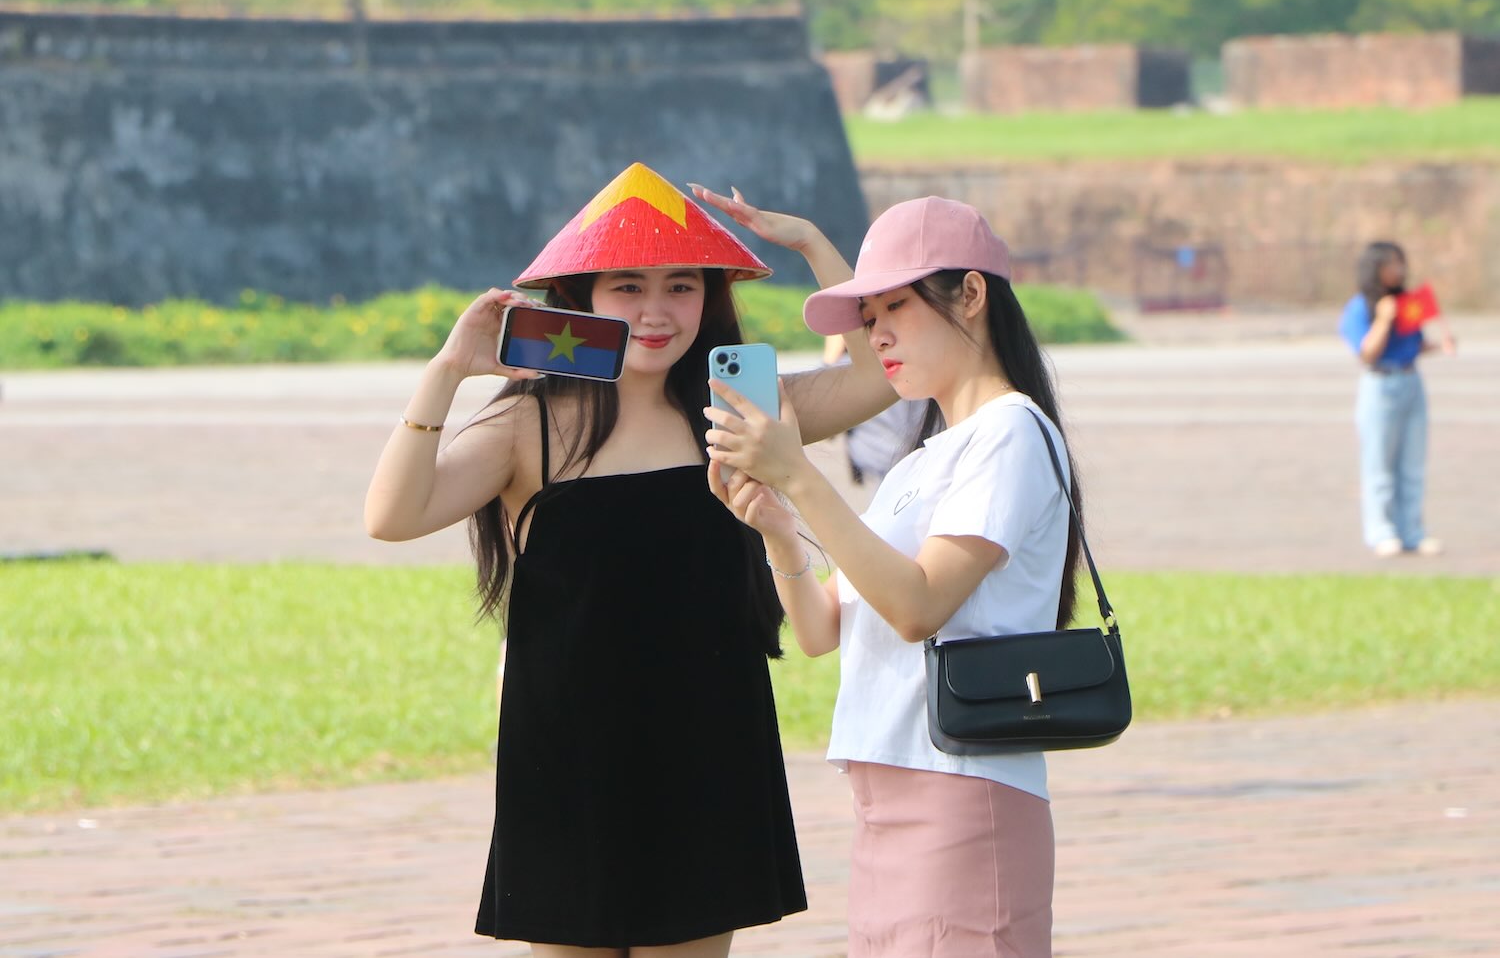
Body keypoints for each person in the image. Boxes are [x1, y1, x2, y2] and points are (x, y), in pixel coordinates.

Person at [364, 162, 895, 957]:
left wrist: (814, 244)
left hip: (708, 746)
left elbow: (878, 377)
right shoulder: (529, 425)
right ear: (582, 299)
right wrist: (447, 372)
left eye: (681, 286)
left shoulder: (744, 412)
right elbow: (392, 516)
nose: (656, 311)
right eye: (627, 287)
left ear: (709, 298)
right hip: (567, 758)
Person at [703, 196, 1084, 957]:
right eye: (868, 316)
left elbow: (918, 606)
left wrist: (800, 474)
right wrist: (778, 528)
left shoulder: (1010, 433)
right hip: (886, 791)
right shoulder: (921, 460)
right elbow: (820, 629)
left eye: (895, 308)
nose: (876, 334)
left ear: (971, 294)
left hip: (963, 795)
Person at [1338, 241, 1455, 558]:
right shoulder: (1361, 307)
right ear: (1375, 268)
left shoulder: (1406, 302)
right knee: (1379, 463)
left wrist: (1440, 345)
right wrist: (1382, 319)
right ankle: (1381, 531)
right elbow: (1367, 354)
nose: (1398, 270)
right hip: (1380, 385)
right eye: (1390, 264)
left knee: (1412, 463)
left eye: (1400, 263)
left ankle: (1412, 531)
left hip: (1410, 380)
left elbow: (1412, 345)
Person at [822, 332, 927, 490]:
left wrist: (830, 356)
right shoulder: (911, 353)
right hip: (917, 452)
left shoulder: (846, 368)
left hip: (879, 456)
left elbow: (827, 423)